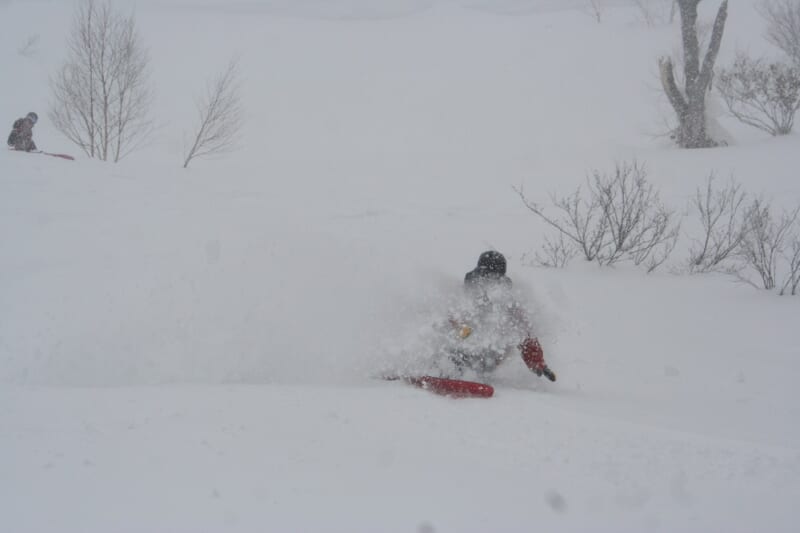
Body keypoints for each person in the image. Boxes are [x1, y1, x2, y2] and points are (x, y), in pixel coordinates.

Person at [445, 250, 556, 381]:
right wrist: (462, 331)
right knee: (459, 331)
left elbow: (525, 333)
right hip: (459, 351)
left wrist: (537, 362)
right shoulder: (465, 296)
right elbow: (449, 321)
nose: (489, 283)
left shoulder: (508, 304)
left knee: (502, 335)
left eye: (494, 279)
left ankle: (472, 372)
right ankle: (444, 368)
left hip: (488, 358)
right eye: (485, 277)